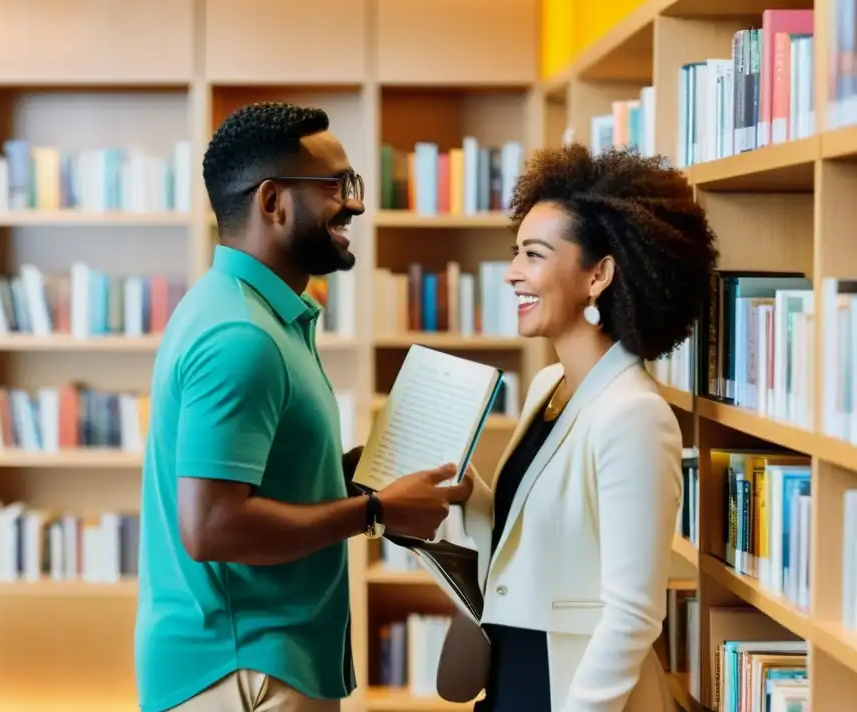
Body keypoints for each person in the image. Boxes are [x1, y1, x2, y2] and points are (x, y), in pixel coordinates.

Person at [134, 101, 472, 712]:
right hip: (243, 671)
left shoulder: (253, 313)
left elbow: (259, 481)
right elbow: (210, 527)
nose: (356, 203)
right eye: (336, 186)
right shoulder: (242, 337)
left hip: (260, 660)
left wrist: (355, 473)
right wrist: (375, 512)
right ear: (273, 201)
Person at [437, 144, 718, 712]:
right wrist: (471, 496)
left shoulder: (633, 416)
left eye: (534, 255)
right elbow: (536, 534)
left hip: (568, 688)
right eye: (516, 253)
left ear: (599, 275)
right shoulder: (549, 387)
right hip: (512, 669)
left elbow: (634, 613)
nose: (513, 272)